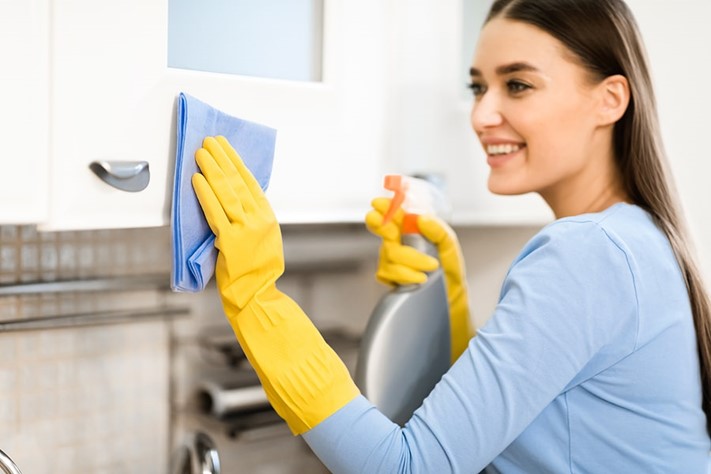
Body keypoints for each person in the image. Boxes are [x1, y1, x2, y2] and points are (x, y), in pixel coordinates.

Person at [191, 0, 711, 471]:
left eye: (518, 85)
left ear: (609, 100)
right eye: (478, 87)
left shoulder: (587, 252)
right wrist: (449, 311)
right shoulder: (635, 238)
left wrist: (258, 301)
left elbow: (405, 468)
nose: (482, 115)